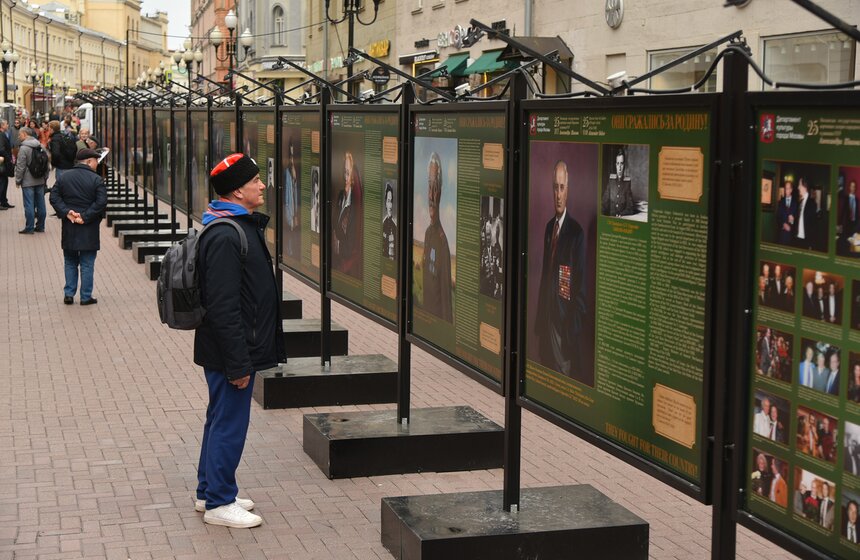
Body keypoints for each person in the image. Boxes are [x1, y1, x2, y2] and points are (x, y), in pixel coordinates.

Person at [193, 153, 285, 529]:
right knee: (229, 423)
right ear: (236, 190)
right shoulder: (226, 235)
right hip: (231, 351)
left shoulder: (232, 226)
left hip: (231, 349)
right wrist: (238, 364)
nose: (262, 185)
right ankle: (219, 502)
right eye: (256, 180)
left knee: (219, 419)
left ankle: (209, 491)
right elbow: (223, 306)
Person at [535, 160, 587, 380]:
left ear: (568, 190)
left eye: (562, 187)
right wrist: (540, 322)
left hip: (563, 332)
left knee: (562, 382)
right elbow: (546, 278)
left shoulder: (576, 234)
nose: (558, 194)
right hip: (547, 326)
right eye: (555, 187)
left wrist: (567, 334)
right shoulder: (549, 228)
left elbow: (581, 293)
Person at [48, 149, 107, 305]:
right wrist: (85, 216)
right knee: (87, 263)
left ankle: (69, 294)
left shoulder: (64, 177)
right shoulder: (96, 179)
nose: (97, 163)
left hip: (70, 226)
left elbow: (54, 196)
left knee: (70, 261)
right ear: (88, 161)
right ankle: (86, 297)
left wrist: (67, 212)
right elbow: (101, 202)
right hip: (89, 227)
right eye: (95, 160)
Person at [421, 152, 453, 321]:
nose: (431, 195)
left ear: (440, 191)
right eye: (429, 186)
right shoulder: (427, 234)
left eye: (435, 187)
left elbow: (447, 307)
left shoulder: (443, 244)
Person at [333, 151, 363, 277]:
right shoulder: (341, 195)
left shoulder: (355, 201)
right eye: (344, 172)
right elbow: (335, 223)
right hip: (339, 257)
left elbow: (352, 237)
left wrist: (338, 241)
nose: (346, 176)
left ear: (353, 174)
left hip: (348, 260)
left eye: (348, 172)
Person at [15, 126, 48, 234]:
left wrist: (18, 180)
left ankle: (29, 227)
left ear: (25, 134)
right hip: (40, 180)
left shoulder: (24, 148)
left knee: (29, 204)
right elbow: (46, 163)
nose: (19, 137)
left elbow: (20, 166)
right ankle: (41, 226)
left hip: (28, 181)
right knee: (41, 204)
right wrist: (45, 177)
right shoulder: (40, 145)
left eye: (20, 134)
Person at [602, 147, 635, 217]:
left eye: (621, 164)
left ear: (624, 166)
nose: (619, 167)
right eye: (618, 163)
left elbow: (630, 208)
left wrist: (621, 214)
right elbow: (604, 204)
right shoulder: (611, 181)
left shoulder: (627, 183)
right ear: (615, 165)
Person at [283, 140, 299, 256]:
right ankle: (290, 253)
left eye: (293, 156)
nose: (292, 160)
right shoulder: (286, 174)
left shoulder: (297, 175)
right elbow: (286, 201)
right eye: (290, 156)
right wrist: (291, 219)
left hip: (296, 214)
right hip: (290, 215)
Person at [793, 178, 817, 251]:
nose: (798, 187)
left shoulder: (812, 204)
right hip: (797, 239)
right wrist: (793, 220)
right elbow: (798, 220)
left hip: (806, 242)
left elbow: (813, 226)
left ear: (805, 187)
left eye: (799, 185)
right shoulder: (799, 202)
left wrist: (811, 244)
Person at [776, 179, 797, 245]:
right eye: (785, 188)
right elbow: (778, 217)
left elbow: (797, 218)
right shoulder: (780, 202)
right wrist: (783, 224)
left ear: (791, 190)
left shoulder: (796, 203)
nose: (786, 190)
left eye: (788, 188)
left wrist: (792, 223)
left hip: (791, 236)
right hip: (781, 235)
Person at [0, 119, 14, 210]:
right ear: (2, 125)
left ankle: (4, 201)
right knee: (2, 183)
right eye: (6, 124)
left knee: (4, 182)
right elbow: (1, 149)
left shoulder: (3, 134)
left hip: (4, 162)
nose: (8, 125)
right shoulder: (1, 135)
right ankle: (2, 203)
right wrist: (8, 158)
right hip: (2, 163)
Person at [382, 181, 396, 260]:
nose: (390, 205)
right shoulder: (382, 224)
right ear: (385, 203)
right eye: (388, 201)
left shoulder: (395, 227)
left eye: (391, 201)